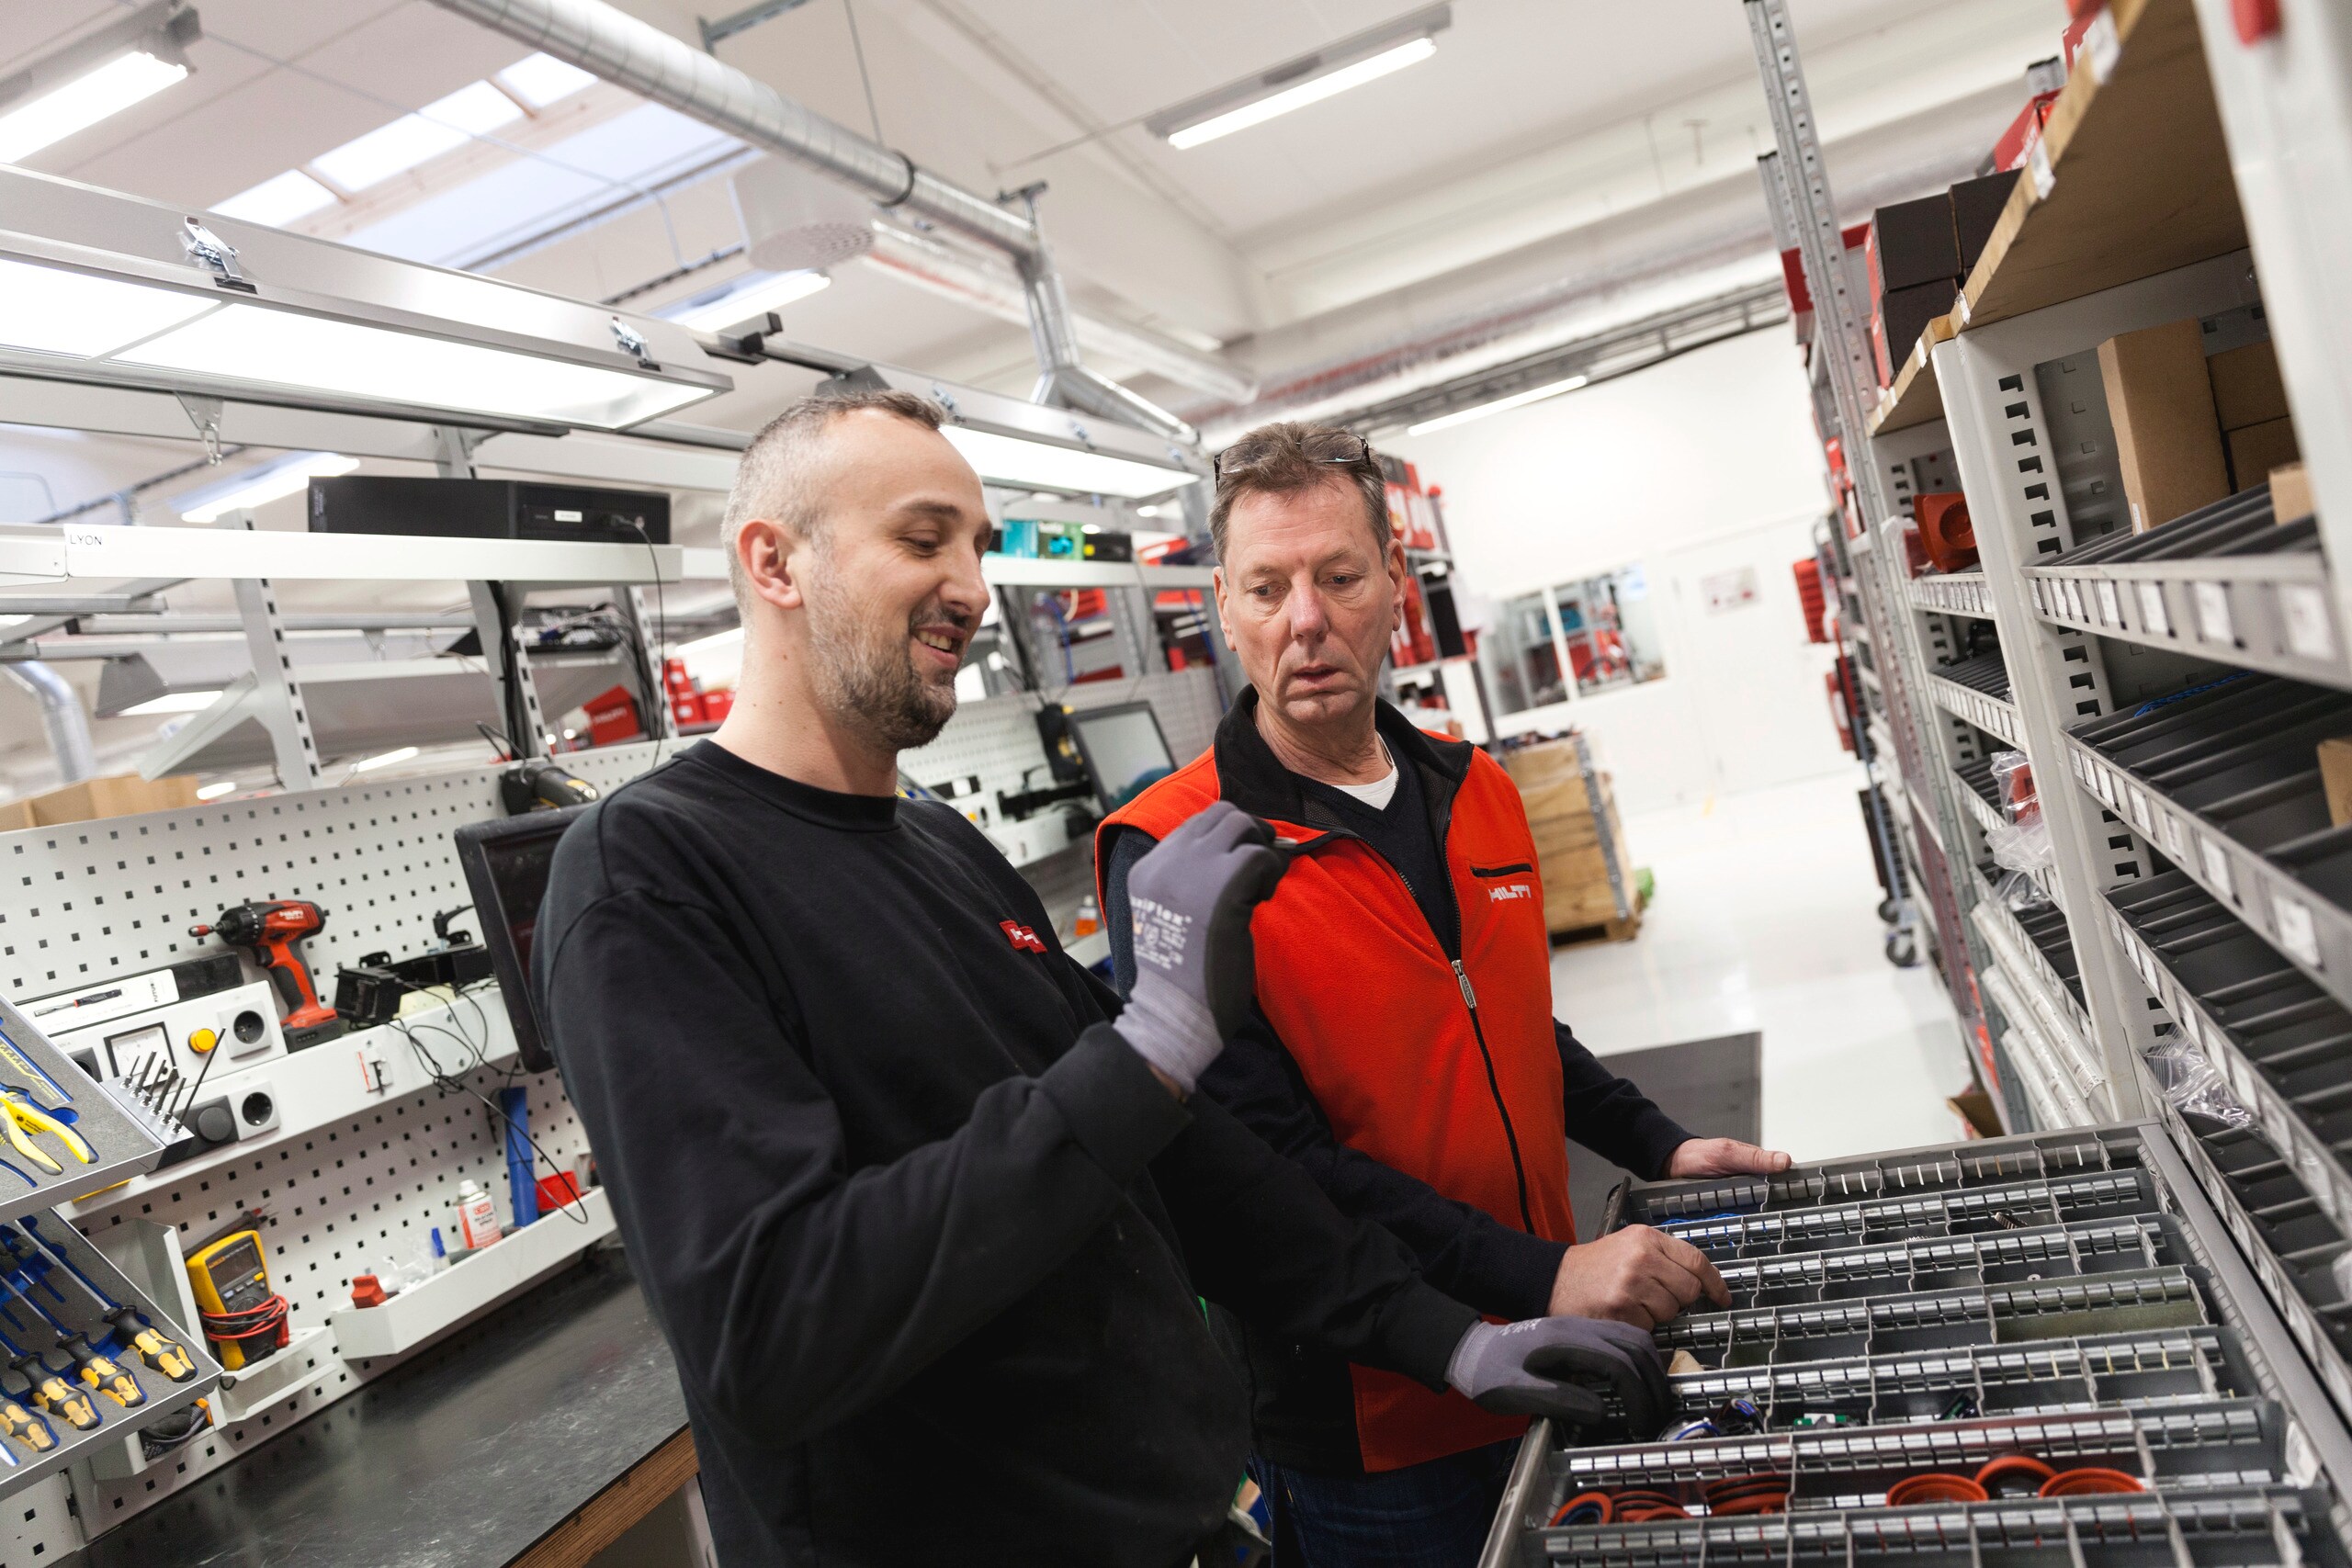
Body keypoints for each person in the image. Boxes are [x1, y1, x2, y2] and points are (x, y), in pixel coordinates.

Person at [532, 390, 1668, 1568]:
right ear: (775, 563)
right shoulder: (649, 873)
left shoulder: (935, 844)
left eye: (977, 547)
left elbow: (1186, 1162)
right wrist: (1144, 1047)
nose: (972, 587)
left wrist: (1448, 1340)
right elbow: (772, 1330)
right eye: (922, 540)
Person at [1098, 422, 1792, 1567]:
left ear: (1395, 584)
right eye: (1266, 588)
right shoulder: (1174, 851)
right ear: (1224, 607)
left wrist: (1656, 1142)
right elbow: (1268, 1167)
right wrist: (1541, 1275)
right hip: (1374, 1424)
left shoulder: (1475, 790)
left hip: (1559, 1345)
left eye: (1337, 577)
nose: (1304, 619)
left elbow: (1509, 1025)